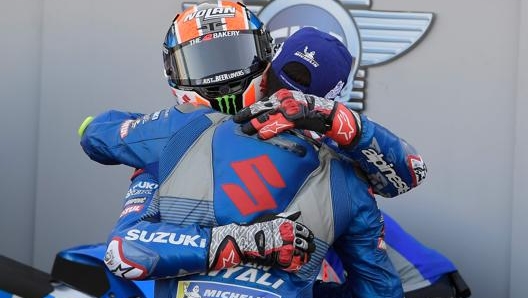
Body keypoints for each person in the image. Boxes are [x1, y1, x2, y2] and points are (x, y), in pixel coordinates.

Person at [78, 2, 424, 297]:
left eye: (297, 98)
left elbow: (125, 252)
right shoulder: (349, 175)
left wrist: (242, 245)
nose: (221, 78)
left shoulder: (177, 133)